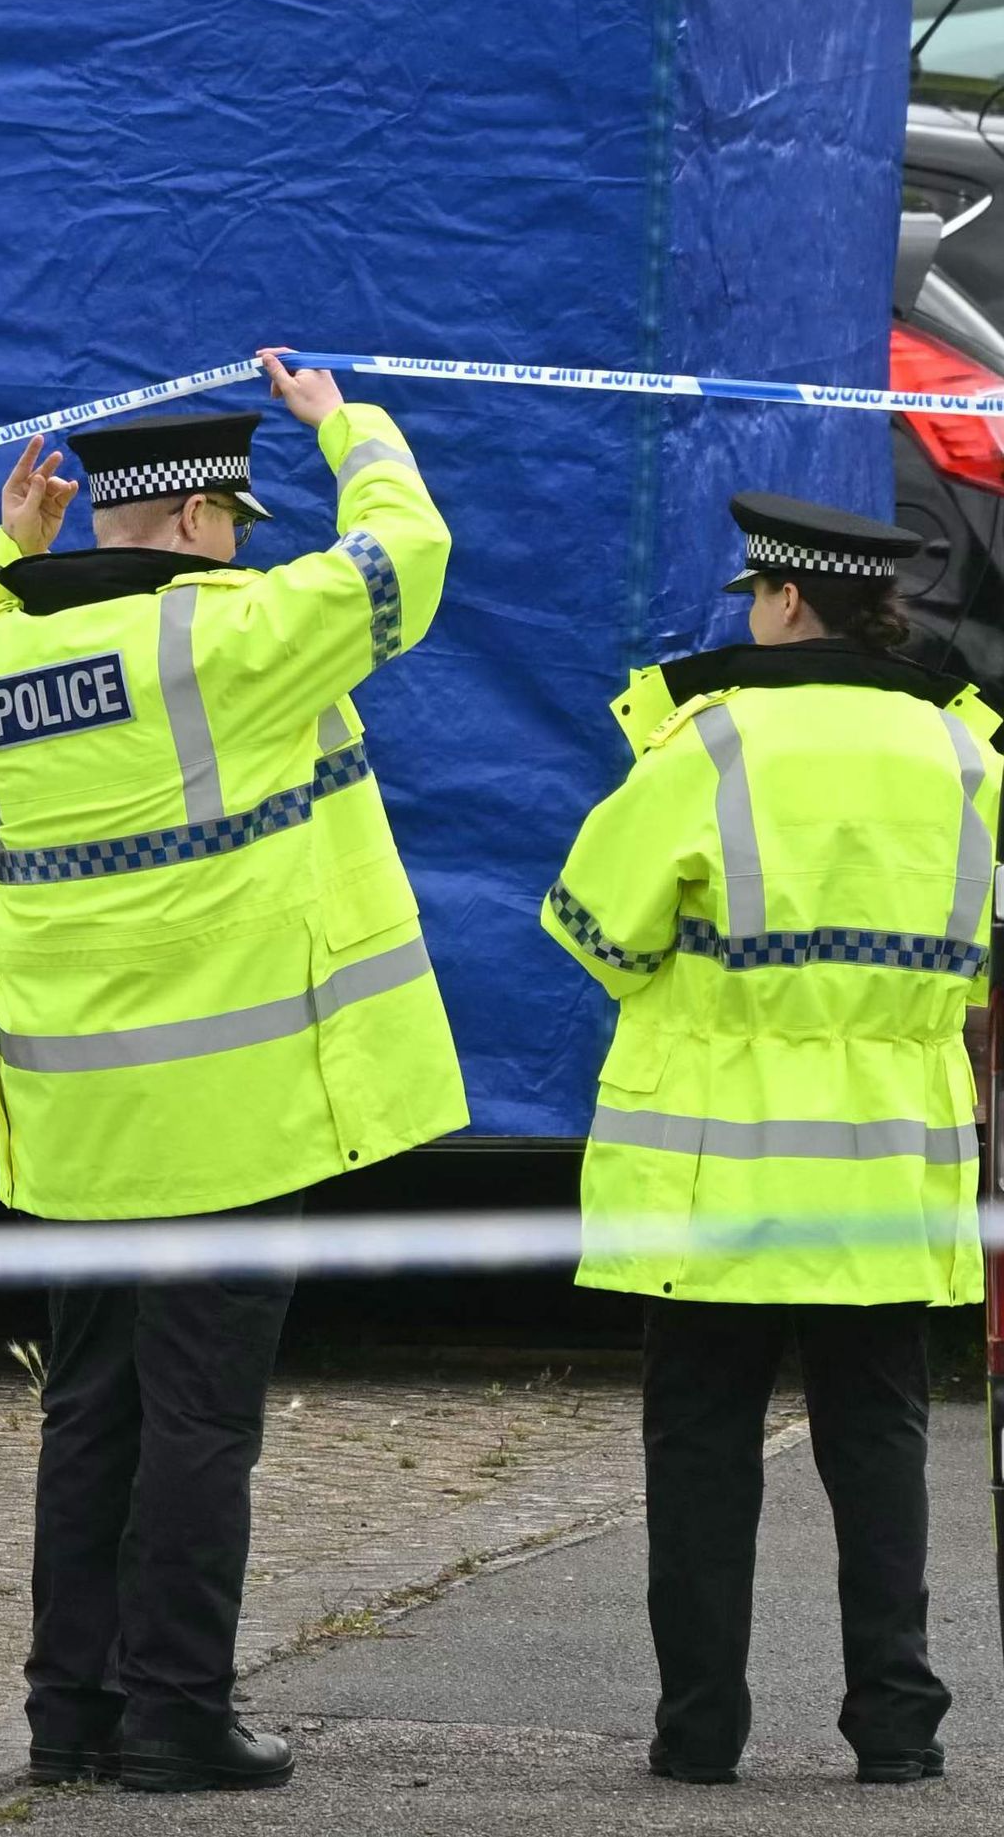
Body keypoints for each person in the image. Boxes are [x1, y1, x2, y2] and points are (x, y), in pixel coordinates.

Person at [0, 351, 469, 1795]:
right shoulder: (243, 634)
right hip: (235, 1116)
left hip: (81, 1119)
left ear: (104, 523)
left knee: (91, 1414)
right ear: (203, 517)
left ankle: (66, 1714)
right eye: (239, 520)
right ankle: (176, 1714)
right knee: (204, 1424)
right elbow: (408, 552)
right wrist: (350, 425)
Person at [540, 492, 990, 1788]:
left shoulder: (711, 744)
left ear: (786, 600)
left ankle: (699, 1734)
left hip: (715, 1170)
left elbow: (594, 927)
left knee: (700, 1447)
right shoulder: (967, 755)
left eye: (754, 596)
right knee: (881, 1441)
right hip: (887, 1168)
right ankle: (900, 1730)